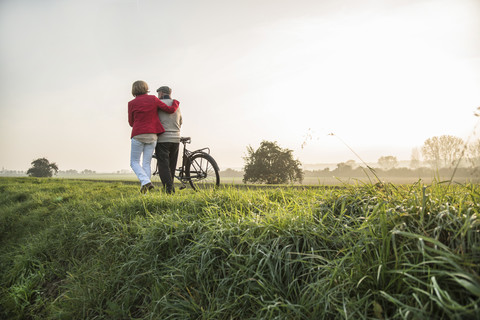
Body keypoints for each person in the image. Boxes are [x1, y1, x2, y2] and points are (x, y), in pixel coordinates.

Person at [128, 80, 179, 193]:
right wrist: (175, 102)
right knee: (146, 162)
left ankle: (145, 182)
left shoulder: (131, 103)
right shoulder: (153, 99)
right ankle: (146, 191)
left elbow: (131, 123)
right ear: (146, 88)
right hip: (152, 135)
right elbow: (170, 110)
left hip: (138, 134)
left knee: (134, 162)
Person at [155, 86, 182, 194]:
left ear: (161, 93)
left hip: (163, 138)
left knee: (163, 166)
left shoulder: (158, 104)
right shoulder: (177, 106)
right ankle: (170, 189)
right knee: (172, 165)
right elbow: (180, 121)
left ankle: (169, 190)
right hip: (176, 138)